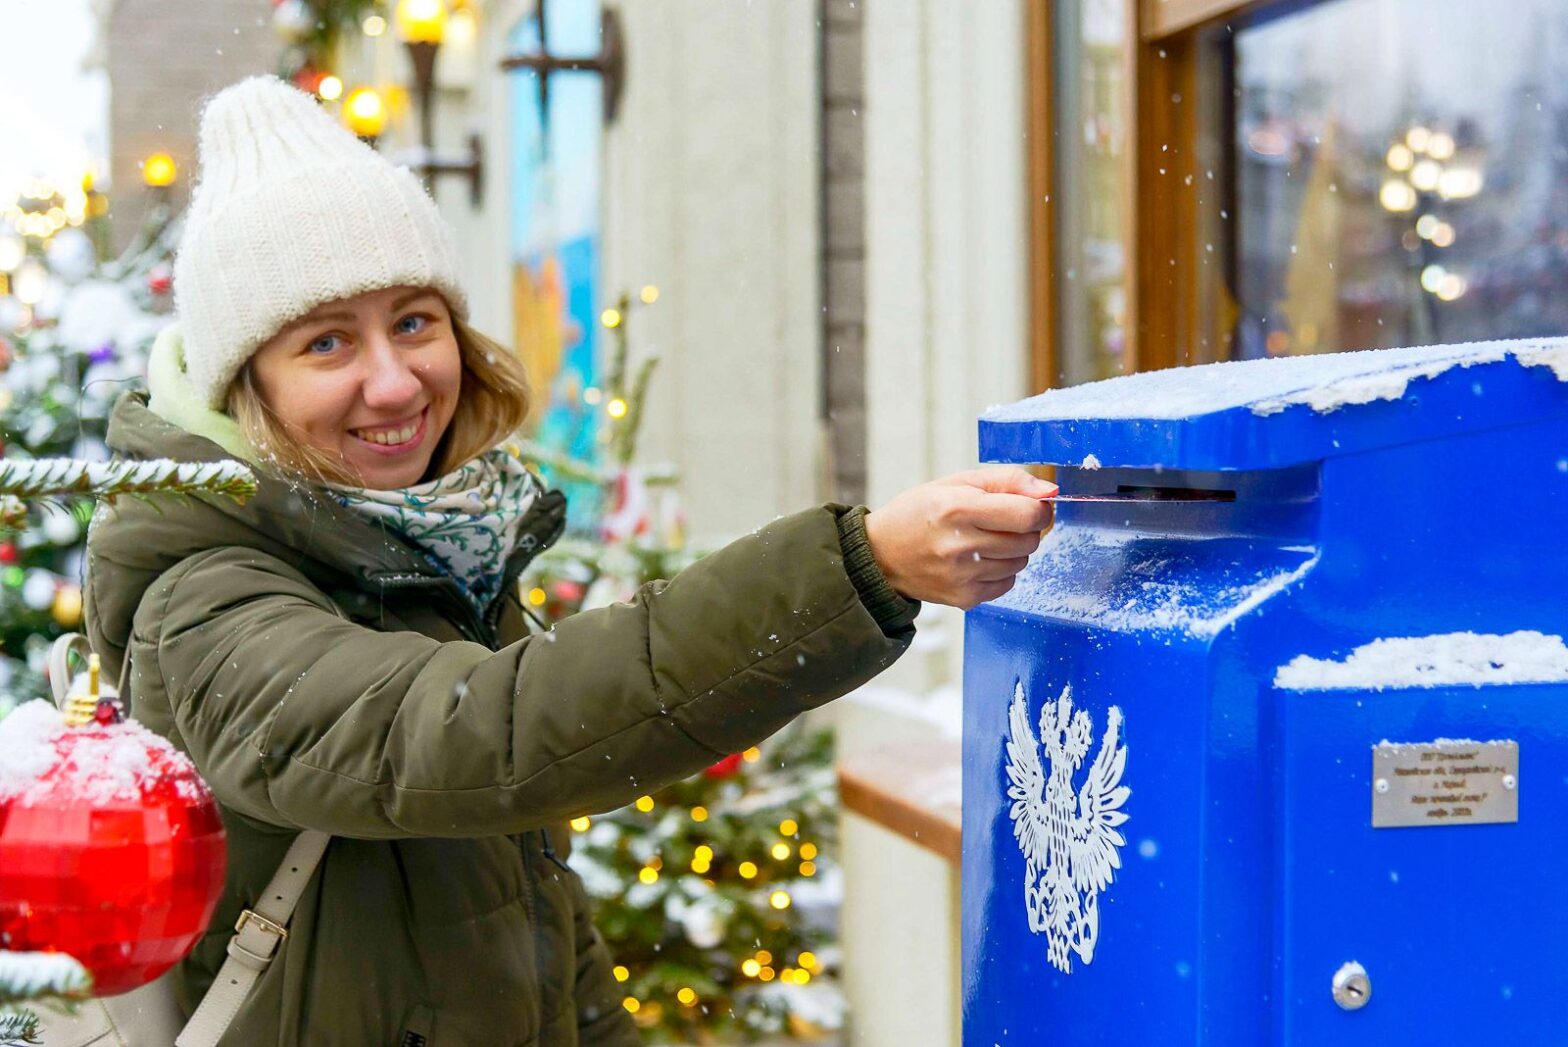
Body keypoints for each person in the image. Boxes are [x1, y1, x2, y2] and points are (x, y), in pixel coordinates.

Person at [83, 77, 1055, 1046]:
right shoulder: (201, 595)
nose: (393, 381)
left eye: (415, 320)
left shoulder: (419, 550)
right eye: (327, 342)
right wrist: (857, 569)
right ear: (241, 385)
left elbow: (527, 927)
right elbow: (476, 735)